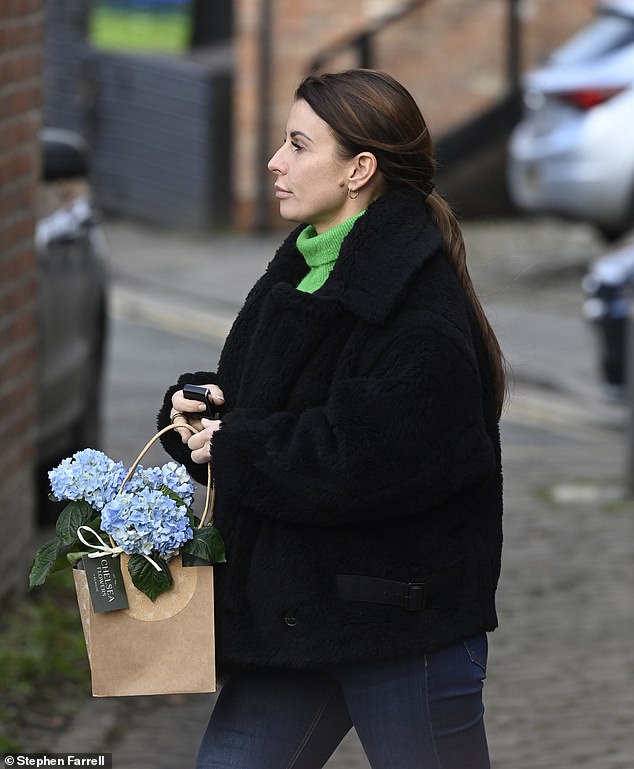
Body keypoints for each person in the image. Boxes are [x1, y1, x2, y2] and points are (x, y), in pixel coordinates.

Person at [157, 68, 505, 769]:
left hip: (402, 626)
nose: (274, 162)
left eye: (297, 145)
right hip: (294, 619)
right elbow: (271, 405)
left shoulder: (417, 305)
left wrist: (238, 443)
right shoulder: (305, 264)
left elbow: (363, 454)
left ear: (359, 169)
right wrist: (200, 408)